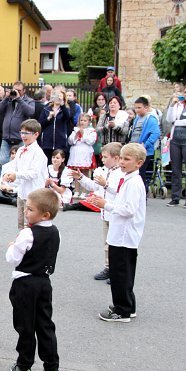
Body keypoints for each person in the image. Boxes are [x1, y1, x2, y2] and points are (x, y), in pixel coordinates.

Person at [86, 143, 147, 322]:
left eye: (127, 159)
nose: (122, 162)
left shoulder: (134, 183)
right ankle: (128, 305)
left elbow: (129, 209)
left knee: (120, 273)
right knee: (124, 272)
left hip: (124, 235)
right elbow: (121, 197)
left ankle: (122, 310)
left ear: (139, 163)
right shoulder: (128, 179)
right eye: (121, 158)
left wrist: (106, 205)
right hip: (122, 233)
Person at [6, 188, 61, 371]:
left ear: (45, 214)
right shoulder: (55, 232)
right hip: (44, 282)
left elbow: (13, 259)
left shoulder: (27, 233)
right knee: (45, 324)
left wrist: (12, 246)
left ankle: (24, 365)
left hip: (25, 283)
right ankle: (51, 367)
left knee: (25, 325)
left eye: (30, 209)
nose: (26, 212)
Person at [70, 142, 124, 283]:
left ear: (116, 158)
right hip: (105, 213)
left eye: (106, 157)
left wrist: (106, 184)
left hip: (116, 213)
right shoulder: (103, 171)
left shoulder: (122, 173)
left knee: (116, 245)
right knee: (107, 243)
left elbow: (119, 191)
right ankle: (108, 267)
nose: (103, 160)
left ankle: (116, 271)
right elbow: (94, 186)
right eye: (102, 157)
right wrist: (81, 178)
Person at [1, 119, 48, 230]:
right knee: (21, 222)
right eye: (21, 132)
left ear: (36, 134)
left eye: (27, 133)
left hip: (34, 193)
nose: (23, 136)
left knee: (31, 224)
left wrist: (16, 175)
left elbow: (34, 173)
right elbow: (14, 166)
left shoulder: (38, 153)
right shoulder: (20, 150)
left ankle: (31, 240)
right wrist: (7, 174)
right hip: (22, 192)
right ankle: (21, 239)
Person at [0, 82, 35, 167]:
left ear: (24, 90)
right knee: (3, 162)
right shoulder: (9, 100)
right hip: (6, 137)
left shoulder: (29, 101)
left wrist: (19, 99)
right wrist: (6, 98)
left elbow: (30, 112)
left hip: (21, 138)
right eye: (15, 90)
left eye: (19, 90)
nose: (16, 92)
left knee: (20, 163)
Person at [129, 97, 161, 191]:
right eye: (136, 108)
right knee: (135, 172)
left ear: (146, 108)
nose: (137, 110)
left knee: (141, 173)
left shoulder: (151, 119)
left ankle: (143, 192)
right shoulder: (137, 118)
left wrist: (145, 145)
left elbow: (156, 133)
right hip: (134, 149)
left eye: (139, 108)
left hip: (144, 151)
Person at [39, 90, 72, 164]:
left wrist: (62, 105)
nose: (58, 98)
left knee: (59, 164)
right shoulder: (46, 109)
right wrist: (48, 118)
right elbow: (40, 124)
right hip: (47, 142)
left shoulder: (65, 109)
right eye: (56, 96)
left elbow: (67, 118)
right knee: (47, 163)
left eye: (60, 97)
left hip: (60, 142)